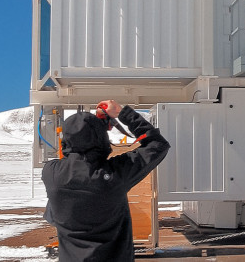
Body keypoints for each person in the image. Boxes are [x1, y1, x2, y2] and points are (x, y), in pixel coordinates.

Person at [42, 100, 170, 262]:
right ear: (101, 138)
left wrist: (91, 130)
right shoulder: (116, 173)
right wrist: (122, 113)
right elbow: (157, 145)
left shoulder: (51, 173)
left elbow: (69, 158)